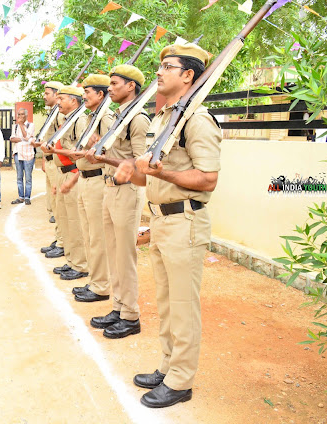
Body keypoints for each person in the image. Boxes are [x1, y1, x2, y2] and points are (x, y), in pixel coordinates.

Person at [115, 44, 221, 408]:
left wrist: (164, 172)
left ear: (188, 75)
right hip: (161, 221)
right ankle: (168, 365)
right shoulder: (165, 119)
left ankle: (181, 380)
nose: (158, 73)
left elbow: (208, 179)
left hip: (185, 222)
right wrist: (137, 172)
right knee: (165, 302)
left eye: (167, 67)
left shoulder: (198, 119)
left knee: (182, 304)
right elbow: (152, 180)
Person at [83, 66, 150, 329]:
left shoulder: (139, 118)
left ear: (130, 86)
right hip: (111, 188)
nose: (109, 88)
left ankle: (131, 315)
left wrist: (103, 157)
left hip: (127, 190)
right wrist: (99, 144)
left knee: (125, 255)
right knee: (113, 252)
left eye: (114, 83)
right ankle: (119, 307)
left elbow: (140, 162)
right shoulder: (119, 116)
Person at [56, 75, 117, 303]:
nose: (84, 96)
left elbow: (113, 149)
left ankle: (101, 285)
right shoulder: (92, 117)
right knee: (89, 234)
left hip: (98, 179)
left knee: (98, 236)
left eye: (88, 92)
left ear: (100, 95)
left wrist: (96, 143)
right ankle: (95, 280)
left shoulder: (105, 117)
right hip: (85, 178)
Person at [40, 86, 88, 281]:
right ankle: (72, 261)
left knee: (75, 223)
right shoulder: (70, 120)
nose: (58, 102)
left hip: (73, 173)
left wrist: (73, 176)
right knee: (67, 221)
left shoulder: (80, 120)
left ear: (74, 101)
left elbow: (81, 153)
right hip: (63, 173)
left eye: (62, 99)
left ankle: (81, 264)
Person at [40, 81, 66, 259]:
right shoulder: (53, 113)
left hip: (58, 163)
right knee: (53, 203)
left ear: (56, 95)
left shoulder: (61, 115)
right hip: (50, 162)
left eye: (47, 93)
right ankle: (59, 239)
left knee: (60, 206)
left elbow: (61, 139)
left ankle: (63, 242)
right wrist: (44, 158)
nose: (44, 96)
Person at [10, 108, 36, 205]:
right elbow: (12, 138)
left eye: (21, 115)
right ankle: (21, 197)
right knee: (19, 176)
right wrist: (23, 139)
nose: (19, 117)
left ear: (26, 115)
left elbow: (27, 137)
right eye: (18, 115)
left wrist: (21, 125)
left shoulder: (31, 125)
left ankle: (27, 197)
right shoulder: (15, 127)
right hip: (18, 153)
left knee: (28, 177)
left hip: (28, 154)